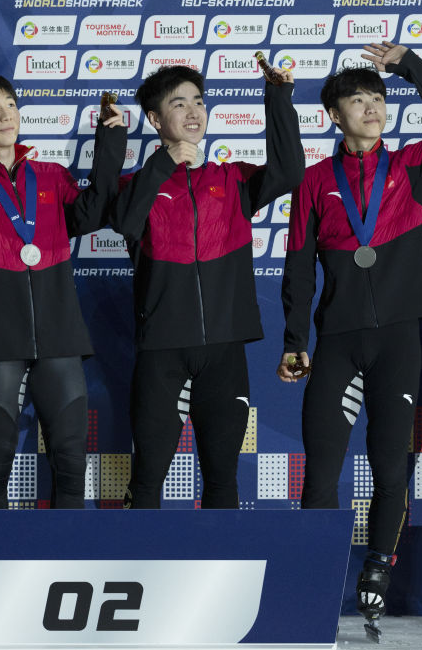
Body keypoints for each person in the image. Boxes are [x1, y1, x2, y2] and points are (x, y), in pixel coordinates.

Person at [277, 42, 422, 639]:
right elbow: (298, 265)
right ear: (333, 116)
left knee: (390, 465)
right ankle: (312, 579)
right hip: (338, 340)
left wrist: (407, 65)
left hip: (398, 340)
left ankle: (378, 568)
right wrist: (294, 337)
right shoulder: (316, 181)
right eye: (358, 100)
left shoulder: (415, 167)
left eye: (377, 98)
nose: (371, 107)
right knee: (321, 468)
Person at [0, 74, 126, 509]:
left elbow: (91, 215)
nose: (7, 115)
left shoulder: (49, 175)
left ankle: (65, 548)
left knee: (71, 462)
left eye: (11, 105)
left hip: (58, 336)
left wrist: (110, 144)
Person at [110, 64, 302, 510]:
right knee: (146, 481)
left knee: (222, 479)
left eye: (198, 101)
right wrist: (163, 164)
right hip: (162, 351)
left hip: (224, 349)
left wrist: (278, 99)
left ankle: (222, 558)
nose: (194, 111)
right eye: (179, 104)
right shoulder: (136, 185)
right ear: (155, 119)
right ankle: (139, 555)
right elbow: (124, 222)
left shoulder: (232, 179)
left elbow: (290, 173)